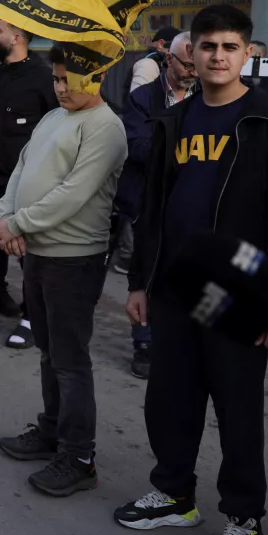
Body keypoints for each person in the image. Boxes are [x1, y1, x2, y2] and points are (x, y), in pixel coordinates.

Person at [115, 4, 268, 535]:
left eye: (230, 46)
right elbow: (151, 211)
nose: (218, 56)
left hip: (236, 298)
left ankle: (245, 521)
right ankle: (174, 494)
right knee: (170, 399)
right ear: (189, 54)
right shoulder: (175, 121)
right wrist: (139, 282)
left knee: (236, 408)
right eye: (207, 47)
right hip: (177, 289)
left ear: (247, 53)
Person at [0, 44, 127, 496]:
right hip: (37, 253)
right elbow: (21, 170)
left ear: (98, 79)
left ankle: (78, 455)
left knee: (70, 361)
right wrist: (4, 215)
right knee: (50, 353)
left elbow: (75, 194)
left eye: (70, 80)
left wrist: (18, 223)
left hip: (74, 258)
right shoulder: (54, 118)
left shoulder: (106, 128)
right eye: (56, 79)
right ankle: (51, 431)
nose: (61, 88)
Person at [0, 17, 57, 348]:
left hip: (24, 185)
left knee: (27, 253)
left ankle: (32, 318)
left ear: (17, 36)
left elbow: (57, 128)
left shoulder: (44, 78)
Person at [116, 31, 197, 379]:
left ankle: (182, 337)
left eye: (197, 66)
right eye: (187, 64)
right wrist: (183, 156)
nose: (193, 71)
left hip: (190, 204)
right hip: (147, 200)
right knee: (145, 272)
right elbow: (135, 145)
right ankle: (144, 342)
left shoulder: (206, 99)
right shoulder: (143, 99)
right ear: (169, 60)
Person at [130, 25, 180, 92]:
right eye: (177, 47)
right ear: (161, 45)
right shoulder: (148, 64)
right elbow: (138, 98)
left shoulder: (159, 62)